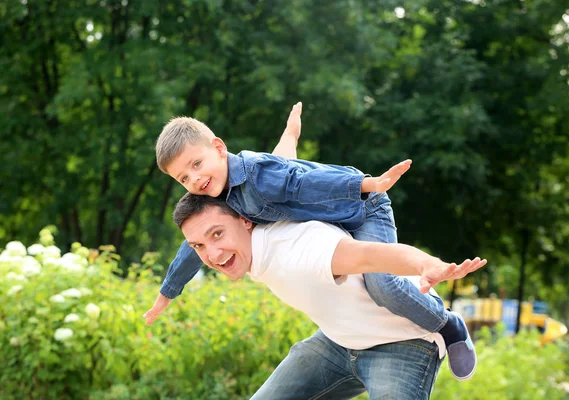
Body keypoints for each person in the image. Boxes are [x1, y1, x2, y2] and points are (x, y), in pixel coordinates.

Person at [144, 103, 477, 380]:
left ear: (219, 148)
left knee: (382, 286)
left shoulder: (257, 175)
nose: (196, 180)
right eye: (183, 178)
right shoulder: (221, 193)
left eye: (197, 165)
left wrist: (368, 184)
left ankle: (447, 324)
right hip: (331, 218)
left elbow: (305, 180)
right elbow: (193, 243)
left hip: (363, 208)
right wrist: (166, 294)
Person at [170, 193, 487, 399]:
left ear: (245, 220)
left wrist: (427, 264)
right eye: (199, 245)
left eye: (217, 234)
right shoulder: (251, 244)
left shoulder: (299, 248)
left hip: (403, 342)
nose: (212, 253)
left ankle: (446, 322)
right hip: (337, 342)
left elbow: (370, 255)